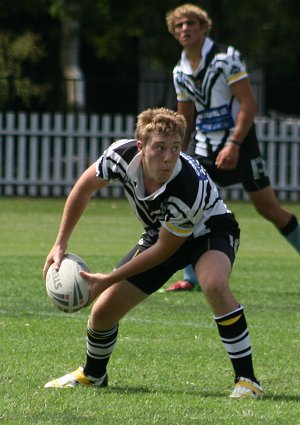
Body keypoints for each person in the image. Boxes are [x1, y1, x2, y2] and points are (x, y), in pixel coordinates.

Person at [42, 107, 263, 398]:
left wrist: (106, 279)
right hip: (161, 232)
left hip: (211, 230)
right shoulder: (119, 157)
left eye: (174, 148)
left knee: (213, 283)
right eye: (160, 147)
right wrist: (60, 243)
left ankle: (248, 381)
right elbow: (83, 189)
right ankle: (93, 375)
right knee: (102, 313)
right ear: (141, 146)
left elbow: (163, 251)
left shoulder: (188, 187)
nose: (169, 157)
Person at [165, 3, 300, 292]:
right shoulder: (180, 71)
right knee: (188, 205)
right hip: (203, 148)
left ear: (204, 27)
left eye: (191, 23)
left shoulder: (227, 59)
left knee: (270, 210)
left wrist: (234, 144)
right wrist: (179, 153)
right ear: (174, 33)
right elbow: (185, 117)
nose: (185, 29)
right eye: (179, 25)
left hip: (241, 147)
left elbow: (249, 104)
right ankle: (191, 278)